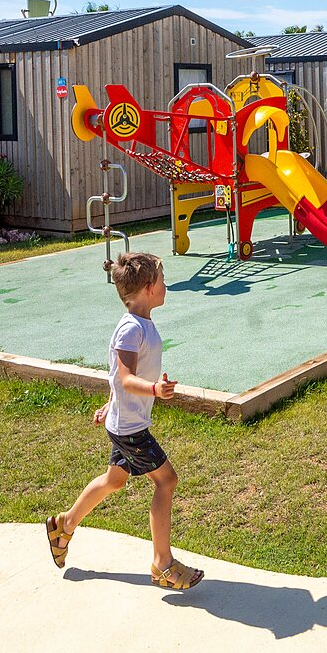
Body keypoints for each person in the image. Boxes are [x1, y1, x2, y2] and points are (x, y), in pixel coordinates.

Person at [44, 252, 204, 590]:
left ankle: (64, 526)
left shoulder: (140, 323)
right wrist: (155, 390)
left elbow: (119, 381)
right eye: (162, 279)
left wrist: (113, 402)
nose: (166, 285)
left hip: (124, 421)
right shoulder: (131, 329)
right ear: (148, 288)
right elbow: (126, 377)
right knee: (167, 481)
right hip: (130, 429)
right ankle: (163, 564)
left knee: (114, 480)